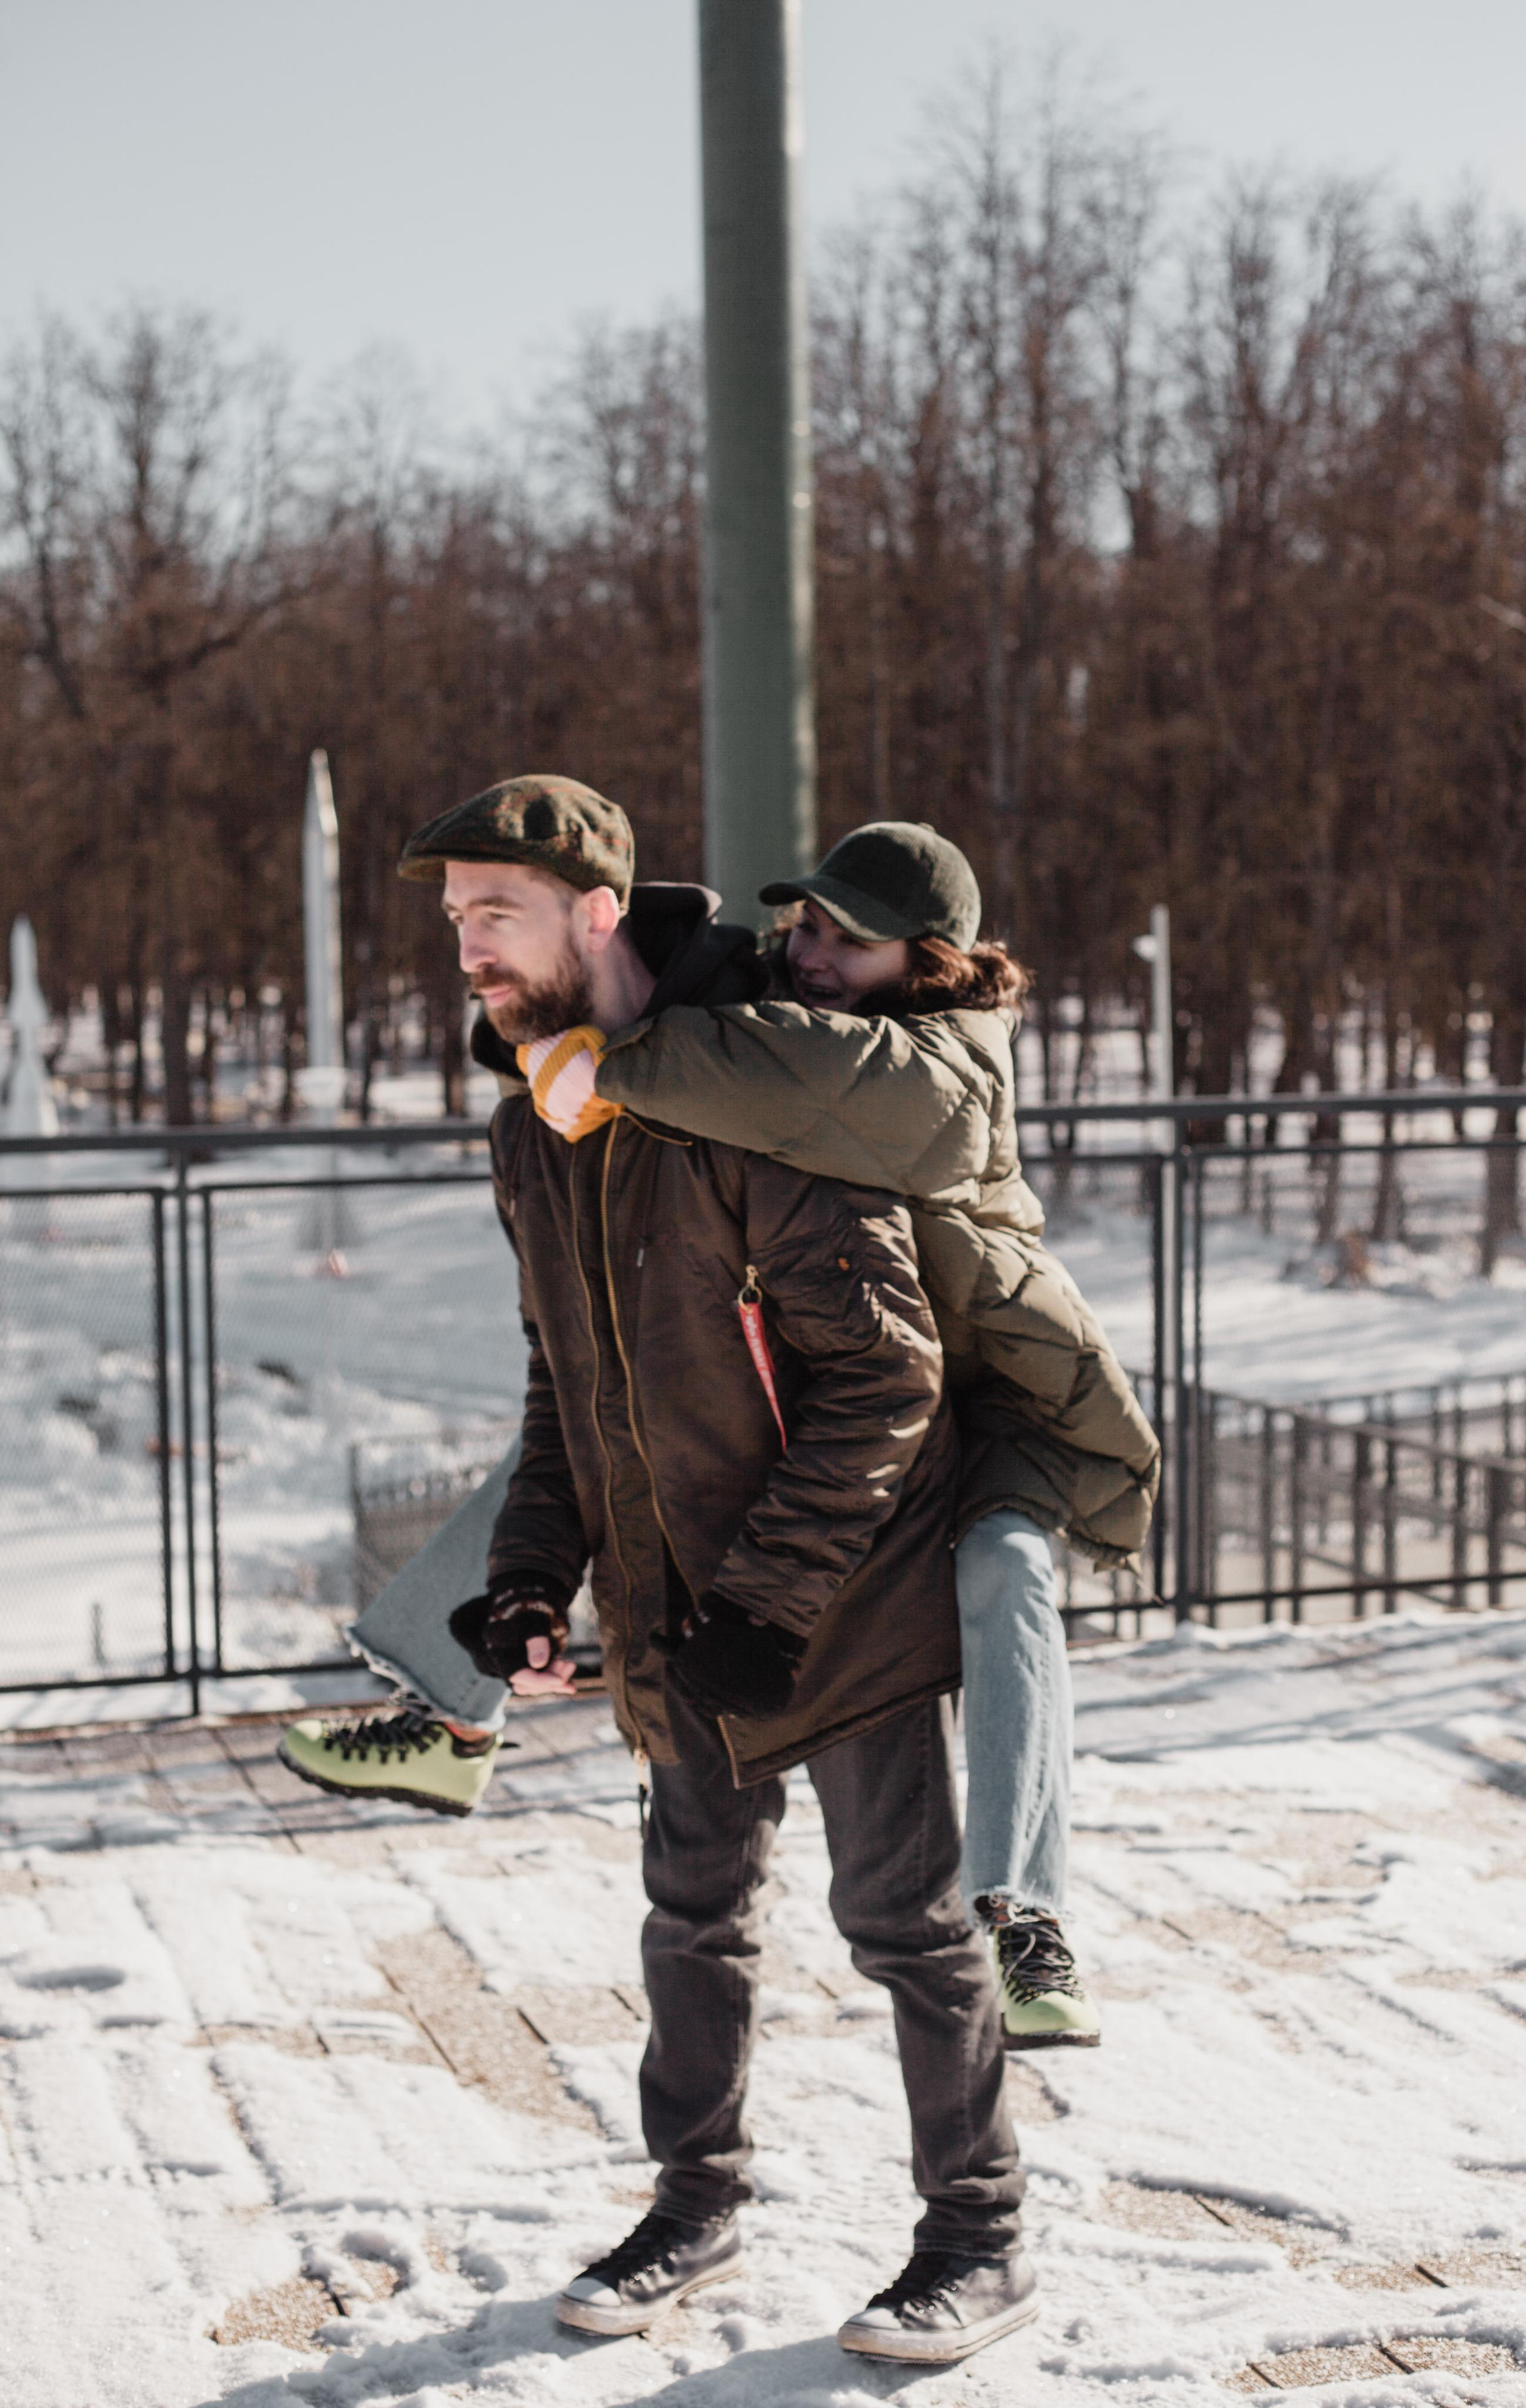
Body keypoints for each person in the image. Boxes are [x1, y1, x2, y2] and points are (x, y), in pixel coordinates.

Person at [293, 775, 1034, 2365]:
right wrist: (523, 1581)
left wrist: (770, 1603)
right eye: (455, 920)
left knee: (900, 1922)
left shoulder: (760, 1092)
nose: (468, 948)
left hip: (841, 1591)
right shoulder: (535, 1123)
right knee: (689, 1915)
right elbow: (568, 1385)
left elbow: (885, 1381)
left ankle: (978, 2237)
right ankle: (694, 2203)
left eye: (496, 914)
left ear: (596, 912)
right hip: (674, 1603)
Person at [285, 820, 1159, 2054]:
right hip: (847, 1377)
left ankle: (1022, 1906)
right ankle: (450, 1711)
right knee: (611, 1421)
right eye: (800, 925)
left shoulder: (950, 1061)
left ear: (931, 959)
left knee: (1007, 1574)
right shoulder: (776, 1014)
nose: (806, 952)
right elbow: (632, 1010)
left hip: (977, 1398)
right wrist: (544, 1022)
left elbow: (796, 1077)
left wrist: (610, 1062)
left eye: (844, 942)